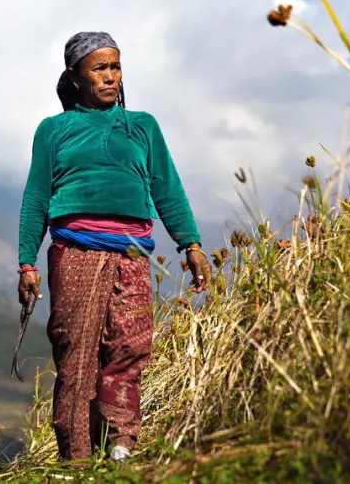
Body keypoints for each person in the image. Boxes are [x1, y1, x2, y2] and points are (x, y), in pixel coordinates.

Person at [17, 31, 212, 464]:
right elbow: (36, 197)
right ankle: (77, 461)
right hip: (75, 252)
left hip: (132, 254)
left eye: (116, 67)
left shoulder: (141, 126)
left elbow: (168, 188)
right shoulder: (55, 130)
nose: (111, 77)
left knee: (131, 345)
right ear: (75, 77)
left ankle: (121, 445)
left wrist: (191, 244)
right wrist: (26, 263)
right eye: (99, 68)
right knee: (77, 356)